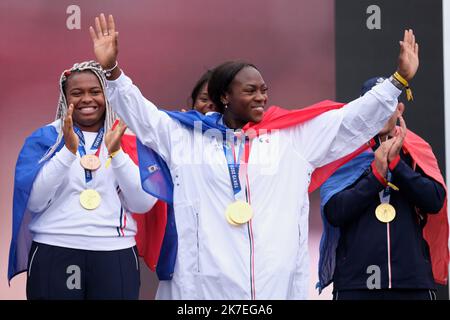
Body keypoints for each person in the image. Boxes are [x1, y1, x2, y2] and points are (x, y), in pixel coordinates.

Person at [89, 13, 419, 299]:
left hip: (274, 284)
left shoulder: (293, 136)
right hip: (206, 287)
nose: (261, 97)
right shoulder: (184, 137)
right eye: (250, 90)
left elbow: (351, 119)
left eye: (263, 89)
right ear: (224, 97)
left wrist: (397, 81)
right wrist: (112, 71)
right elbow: (143, 115)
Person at [8, 61, 158, 300]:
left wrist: (116, 153)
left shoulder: (128, 138)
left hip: (114, 251)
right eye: (77, 93)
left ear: (107, 94)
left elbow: (142, 203)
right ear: (65, 99)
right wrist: (67, 152)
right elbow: (34, 202)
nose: (87, 99)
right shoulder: (45, 138)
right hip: (55, 248)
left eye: (95, 92)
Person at [317, 77, 448, 300]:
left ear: (399, 109)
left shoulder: (416, 150)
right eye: (372, 108)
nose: (378, 114)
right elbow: (335, 212)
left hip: (411, 282)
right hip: (356, 283)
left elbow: (435, 200)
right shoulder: (343, 153)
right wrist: (376, 176)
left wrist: (398, 166)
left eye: (386, 106)